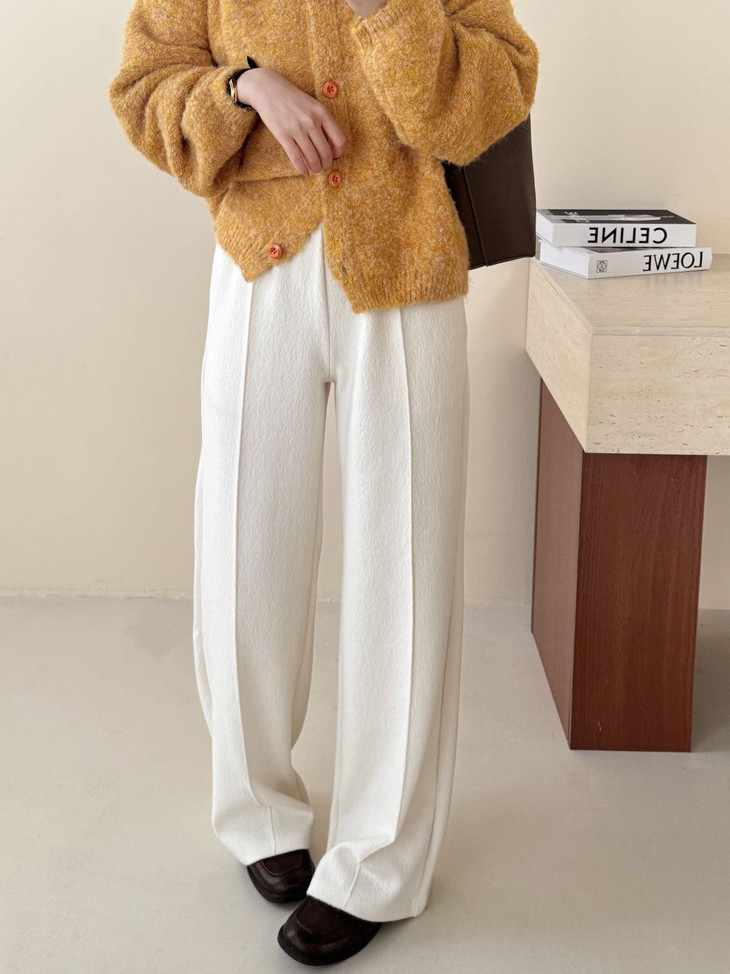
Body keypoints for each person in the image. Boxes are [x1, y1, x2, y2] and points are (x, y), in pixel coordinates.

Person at [108, 0, 539, 964]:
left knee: (406, 563)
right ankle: (257, 809)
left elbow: (497, 90)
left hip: (408, 262)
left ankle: (380, 860)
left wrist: (388, 14)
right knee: (242, 550)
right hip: (257, 264)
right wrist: (243, 87)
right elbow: (143, 88)